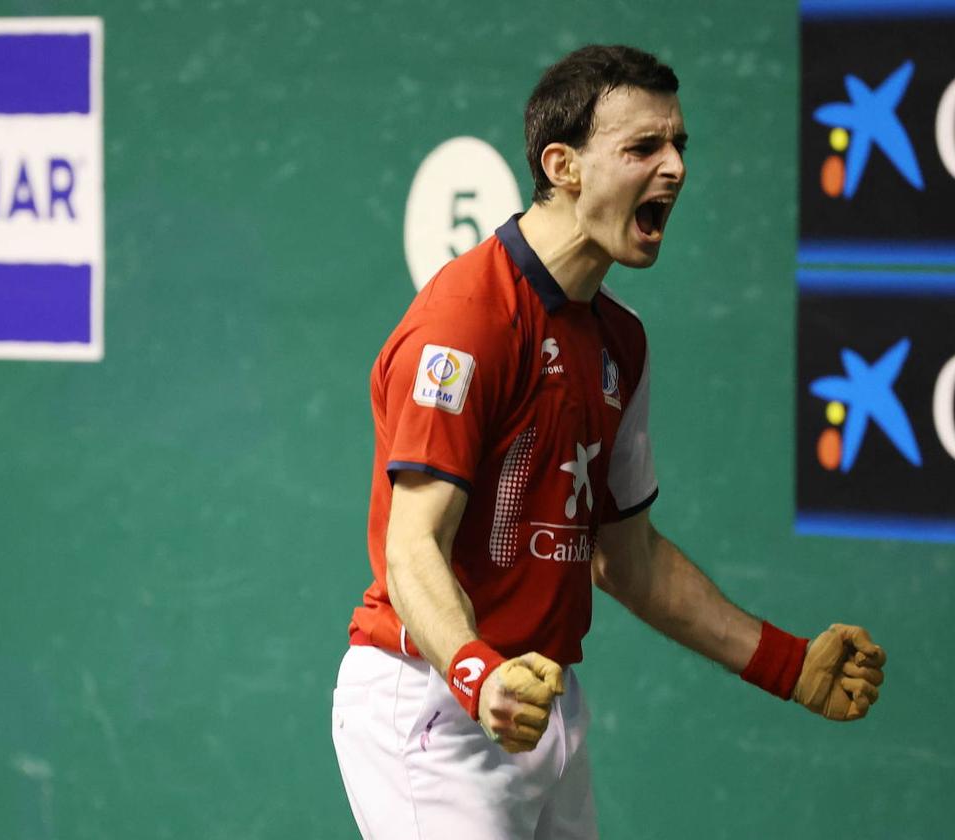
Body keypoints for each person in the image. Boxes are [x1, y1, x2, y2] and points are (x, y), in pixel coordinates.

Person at [331, 44, 886, 840]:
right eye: (642, 149)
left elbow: (631, 560)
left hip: (546, 705)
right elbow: (412, 546)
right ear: (564, 166)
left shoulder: (620, 343)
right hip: (436, 705)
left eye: (679, 146)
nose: (674, 169)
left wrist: (788, 666)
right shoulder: (468, 323)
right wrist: (477, 674)